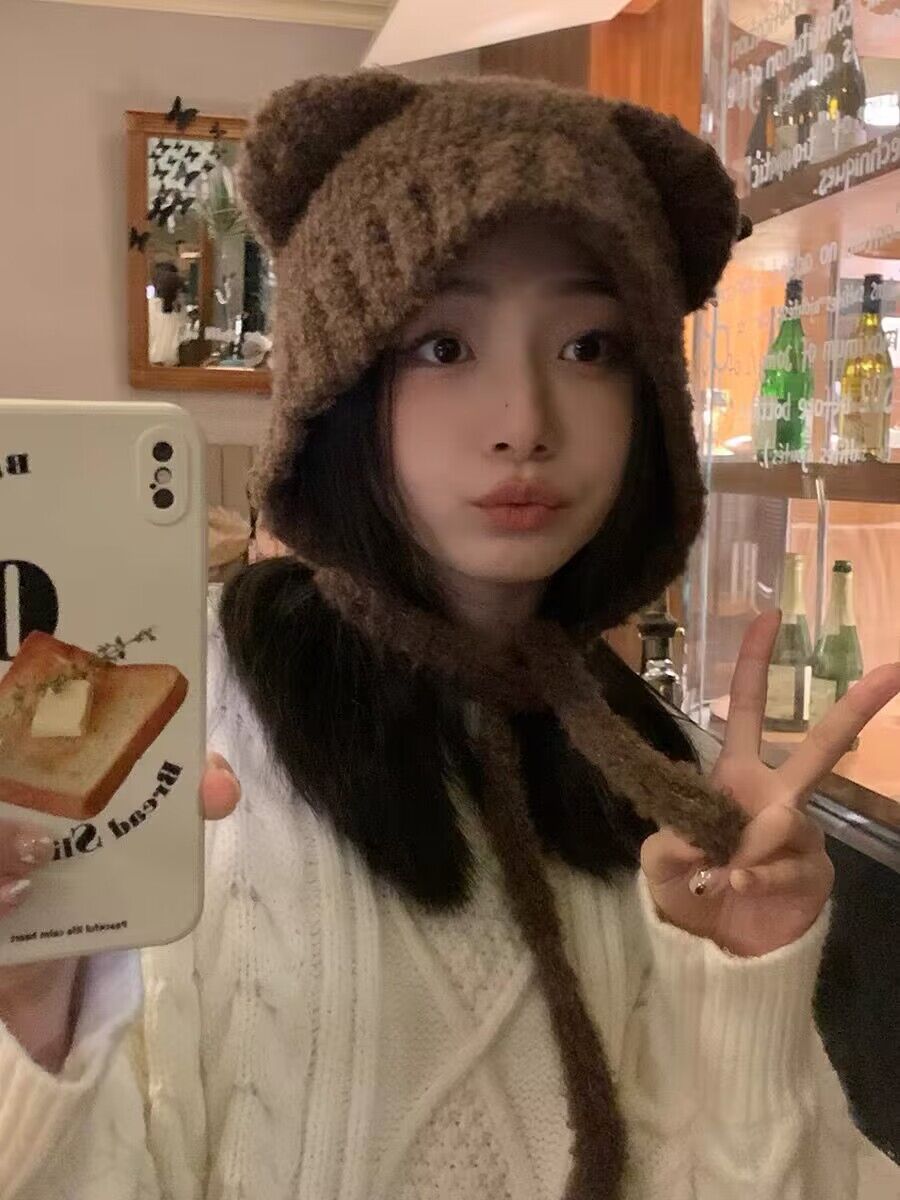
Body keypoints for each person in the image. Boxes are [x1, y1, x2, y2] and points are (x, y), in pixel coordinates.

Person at [0, 72, 897, 1200]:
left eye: (591, 347)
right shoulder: (186, 739)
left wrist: (745, 987)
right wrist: (33, 1017)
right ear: (338, 385)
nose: (525, 423)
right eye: (441, 347)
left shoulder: (660, 778)